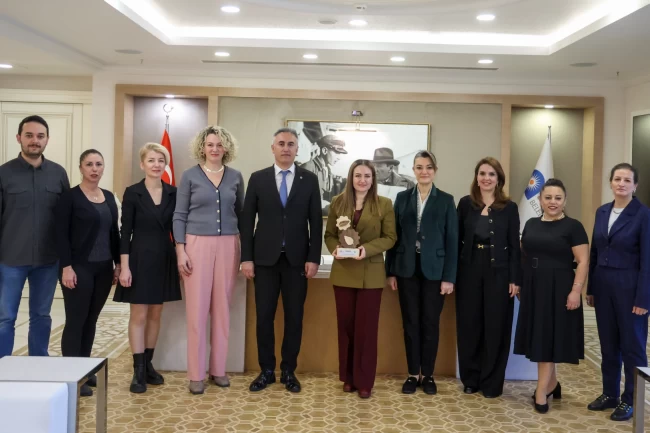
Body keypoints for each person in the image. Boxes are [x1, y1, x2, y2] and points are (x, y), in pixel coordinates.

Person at [241, 128, 322, 393]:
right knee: (264, 317)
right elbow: (247, 221)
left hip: (297, 261)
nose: (286, 148)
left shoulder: (309, 179)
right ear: (273, 148)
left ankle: (289, 371)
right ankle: (266, 370)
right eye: (281, 143)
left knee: (294, 317)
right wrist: (246, 258)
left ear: (297, 149)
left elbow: (316, 222)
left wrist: (313, 258)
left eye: (291, 144)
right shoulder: (258, 178)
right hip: (264, 260)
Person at [173, 126, 244, 395]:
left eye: (219, 144)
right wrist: (181, 250)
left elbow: (241, 214)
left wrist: (245, 253)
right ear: (202, 147)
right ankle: (196, 374)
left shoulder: (236, 177)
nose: (215, 149)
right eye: (210, 144)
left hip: (228, 244)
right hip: (196, 245)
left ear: (226, 148)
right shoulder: (189, 176)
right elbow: (179, 215)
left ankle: (218, 369)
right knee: (197, 310)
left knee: (222, 309)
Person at [514, 178, 589, 414]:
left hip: (559, 288)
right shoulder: (531, 223)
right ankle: (552, 384)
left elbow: (583, 261)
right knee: (540, 337)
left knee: (547, 339)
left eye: (558, 198)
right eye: (548, 197)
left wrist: (576, 290)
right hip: (533, 286)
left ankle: (541, 392)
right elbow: (523, 254)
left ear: (565, 200)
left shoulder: (573, 226)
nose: (552, 202)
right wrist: (521, 283)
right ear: (540, 199)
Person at [385, 150, 457, 395]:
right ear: (413, 170)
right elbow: (393, 237)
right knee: (410, 323)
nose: (424, 171)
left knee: (430, 323)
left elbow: (452, 241)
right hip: (406, 269)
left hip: (435, 272)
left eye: (428, 167)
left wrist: (449, 277)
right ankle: (412, 374)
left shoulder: (446, 200)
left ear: (434, 170)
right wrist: (390, 271)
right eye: (419, 167)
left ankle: (428, 375)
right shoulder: (402, 198)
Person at [114, 143, 182, 393]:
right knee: (139, 315)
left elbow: (178, 228)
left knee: (155, 314)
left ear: (166, 165)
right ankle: (138, 370)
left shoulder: (174, 192)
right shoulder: (133, 192)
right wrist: (124, 267)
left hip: (164, 257)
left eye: (161, 160)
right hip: (139, 258)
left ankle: (149, 365)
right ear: (142, 164)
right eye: (151, 160)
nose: (156, 165)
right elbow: (125, 232)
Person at [325, 159, 396, 399]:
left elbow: (390, 237)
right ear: (351, 178)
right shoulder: (338, 202)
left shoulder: (384, 204)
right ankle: (348, 378)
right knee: (346, 328)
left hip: (371, 274)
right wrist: (334, 249)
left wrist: (367, 250)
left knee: (366, 330)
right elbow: (329, 235)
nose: (362, 180)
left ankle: (364, 381)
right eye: (358, 175)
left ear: (373, 179)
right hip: (343, 272)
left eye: (367, 176)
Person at [0, 115, 70, 358]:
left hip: (48, 260)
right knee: (5, 317)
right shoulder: (4, 173)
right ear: (18, 138)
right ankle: (3, 368)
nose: (34, 141)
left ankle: (38, 365)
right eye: (29, 135)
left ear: (47, 140)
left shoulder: (58, 174)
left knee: (41, 316)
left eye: (40, 136)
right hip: (10, 260)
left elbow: (66, 219)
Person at [586, 163, 650, 421]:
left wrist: (644, 298)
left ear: (635, 185)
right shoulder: (602, 211)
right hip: (603, 287)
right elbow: (595, 251)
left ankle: (631, 399)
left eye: (627, 180)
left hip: (631, 290)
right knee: (608, 344)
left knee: (632, 346)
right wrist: (591, 288)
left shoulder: (643, 214)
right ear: (610, 182)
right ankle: (610, 394)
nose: (621, 184)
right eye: (617, 179)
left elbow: (648, 260)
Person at [55, 149, 120, 397]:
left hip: (103, 268)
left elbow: (114, 233)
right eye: (89, 164)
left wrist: (117, 264)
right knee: (76, 320)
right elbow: (60, 234)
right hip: (77, 267)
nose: (94, 169)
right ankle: (71, 375)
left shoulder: (108, 197)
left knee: (91, 319)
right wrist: (66, 267)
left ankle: (84, 368)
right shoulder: (70, 197)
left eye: (98, 164)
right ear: (81, 168)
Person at [455, 157, 521, 398]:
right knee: (469, 325)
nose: (486, 178)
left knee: (496, 327)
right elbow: (456, 241)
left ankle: (492, 382)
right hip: (469, 271)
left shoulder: (509, 208)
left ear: (499, 179)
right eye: (482, 173)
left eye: (491, 174)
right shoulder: (465, 204)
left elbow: (514, 246)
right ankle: (471, 379)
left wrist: (515, 278)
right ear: (476, 177)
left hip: (499, 273)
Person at [300, 134, 347, 210]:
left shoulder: (328, 170)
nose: (339, 157)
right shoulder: (308, 168)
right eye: (336, 152)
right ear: (324, 151)